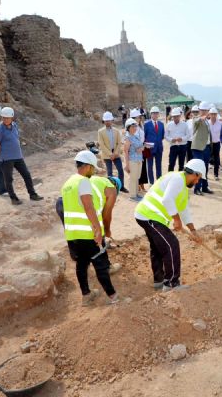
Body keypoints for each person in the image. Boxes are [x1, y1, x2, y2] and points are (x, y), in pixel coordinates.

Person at [134, 158, 205, 291]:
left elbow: (183, 210)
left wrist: (193, 230)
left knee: (157, 247)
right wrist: (176, 220)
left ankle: (159, 281)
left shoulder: (182, 186)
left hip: (146, 215)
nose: (197, 182)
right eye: (198, 178)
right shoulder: (178, 178)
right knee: (172, 245)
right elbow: (167, 199)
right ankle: (171, 283)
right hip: (149, 215)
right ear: (194, 173)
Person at [61, 150, 119, 306]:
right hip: (87, 233)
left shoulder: (68, 183)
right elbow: (88, 207)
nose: (93, 171)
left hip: (72, 234)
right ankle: (114, 297)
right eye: (93, 168)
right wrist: (97, 230)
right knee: (100, 265)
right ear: (87, 166)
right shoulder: (83, 181)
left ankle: (86, 296)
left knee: (81, 264)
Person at [0, 107, 43, 205]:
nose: (6, 120)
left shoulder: (14, 125)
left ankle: (32, 194)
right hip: (6, 159)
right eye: (4, 118)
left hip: (18, 157)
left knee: (27, 175)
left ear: (12, 117)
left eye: (8, 118)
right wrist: (3, 154)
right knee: (9, 179)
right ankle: (14, 198)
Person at [98, 111, 128, 193]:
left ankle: (121, 187)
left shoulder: (116, 130)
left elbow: (119, 142)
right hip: (107, 154)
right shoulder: (100, 132)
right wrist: (110, 154)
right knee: (110, 172)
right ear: (104, 121)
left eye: (109, 120)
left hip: (116, 154)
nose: (108, 122)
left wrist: (115, 153)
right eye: (106, 121)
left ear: (112, 120)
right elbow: (102, 144)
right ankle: (111, 188)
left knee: (120, 170)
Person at [191, 102, 214, 196]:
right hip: (198, 148)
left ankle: (204, 187)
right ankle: (197, 188)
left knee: (205, 168)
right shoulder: (196, 118)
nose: (204, 112)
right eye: (203, 110)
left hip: (206, 147)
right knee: (199, 168)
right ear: (199, 110)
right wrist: (201, 118)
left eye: (206, 110)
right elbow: (196, 121)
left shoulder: (207, 121)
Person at [123, 117, 144, 202]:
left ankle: (136, 193)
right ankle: (132, 196)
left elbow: (140, 146)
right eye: (132, 127)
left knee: (137, 177)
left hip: (138, 159)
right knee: (133, 178)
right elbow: (125, 151)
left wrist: (142, 148)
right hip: (132, 160)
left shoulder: (135, 136)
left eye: (135, 126)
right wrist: (127, 164)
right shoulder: (128, 138)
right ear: (128, 128)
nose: (134, 128)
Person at [144, 106, 165, 184]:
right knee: (150, 166)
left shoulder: (161, 124)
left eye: (157, 113)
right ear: (151, 114)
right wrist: (148, 145)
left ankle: (159, 182)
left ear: (158, 114)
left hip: (159, 148)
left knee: (159, 166)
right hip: (149, 149)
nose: (155, 115)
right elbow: (144, 136)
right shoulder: (146, 124)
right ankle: (151, 183)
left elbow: (162, 136)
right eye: (154, 113)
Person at [165, 107, 188, 172]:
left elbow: (188, 135)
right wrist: (171, 140)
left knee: (181, 165)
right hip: (173, 146)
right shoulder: (169, 125)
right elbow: (166, 136)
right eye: (174, 116)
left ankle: (180, 180)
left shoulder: (184, 124)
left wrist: (182, 139)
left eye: (177, 116)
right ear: (172, 116)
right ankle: (170, 178)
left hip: (182, 146)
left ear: (180, 116)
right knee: (171, 164)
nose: (176, 118)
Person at [133, 108, 149, 194]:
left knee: (143, 168)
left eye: (139, 117)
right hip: (135, 151)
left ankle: (142, 184)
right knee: (137, 168)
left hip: (142, 149)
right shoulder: (132, 128)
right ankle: (138, 185)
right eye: (137, 117)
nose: (138, 119)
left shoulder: (141, 126)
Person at [208, 107, 222, 181]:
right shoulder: (207, 123)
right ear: (209, 115)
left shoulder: (220, 124)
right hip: (209, 144)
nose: (213, 116)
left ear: (216, 115)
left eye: (214, 114)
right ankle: (205, 175)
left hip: (216, 143)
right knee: (207, 158)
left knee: (216, 159)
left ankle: (216, 174)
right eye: (212, 114)